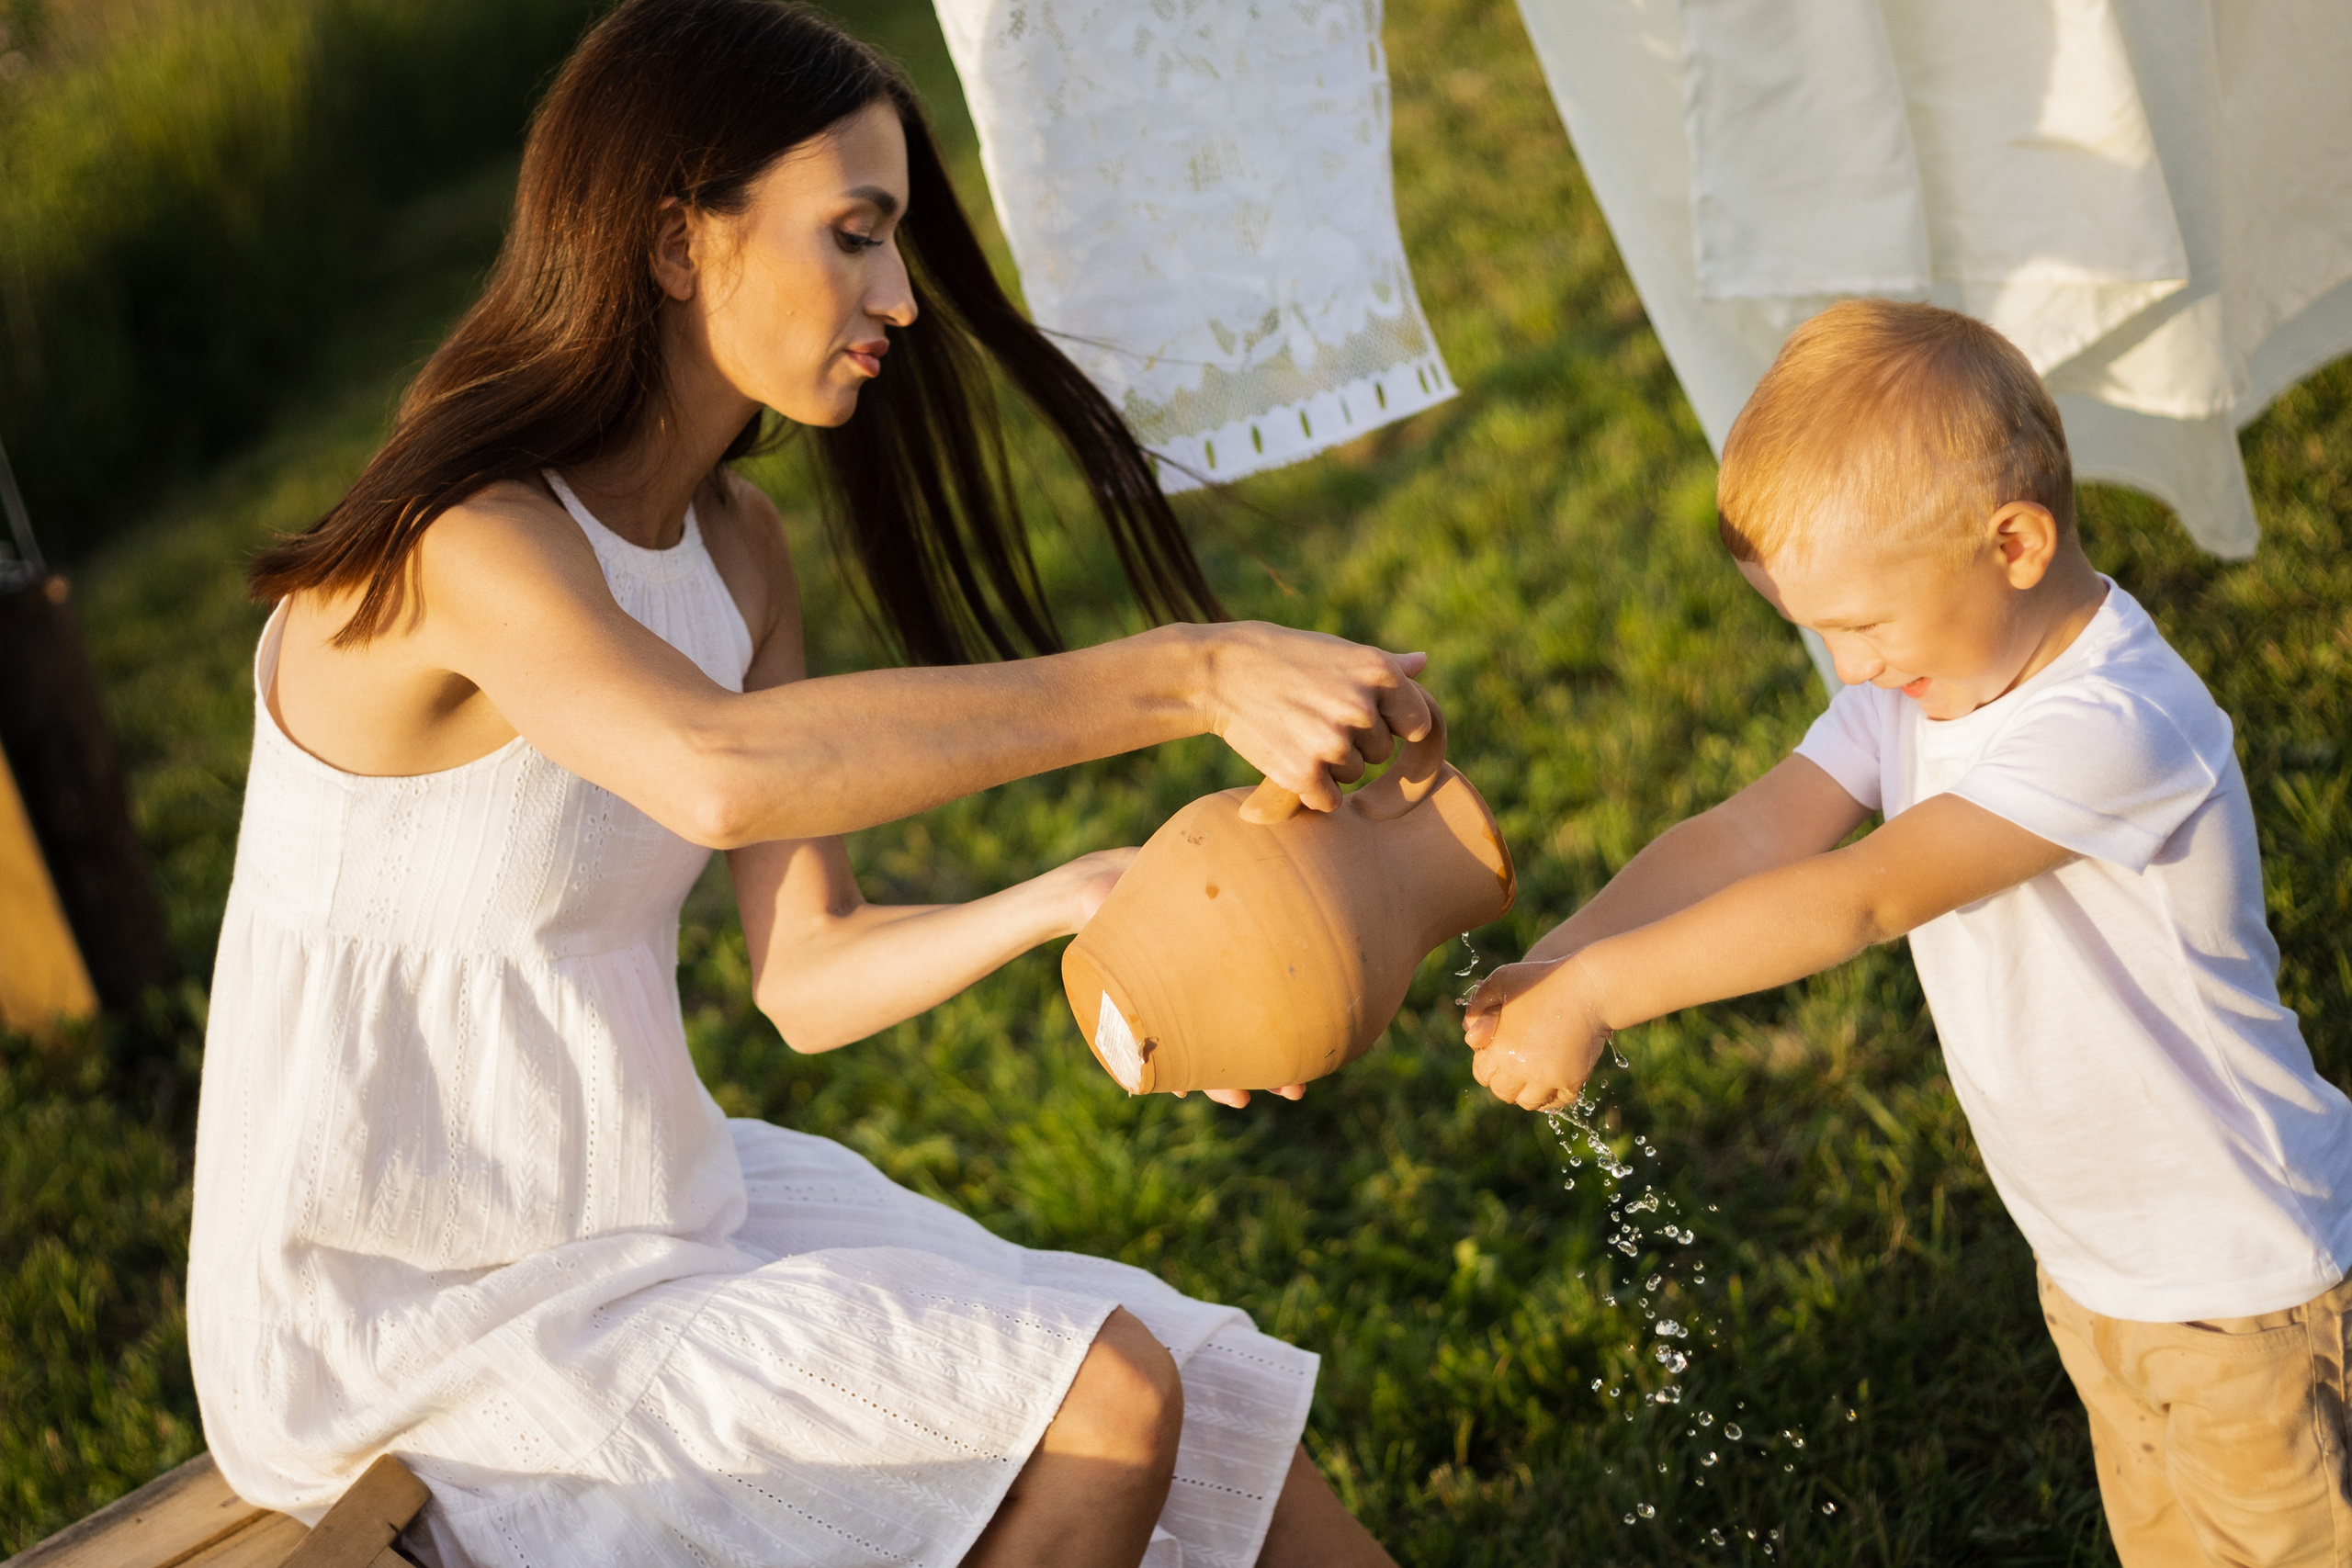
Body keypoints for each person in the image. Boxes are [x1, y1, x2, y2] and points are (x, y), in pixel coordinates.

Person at [187, 4, 1409, 1564]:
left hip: (651, 1202)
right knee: (1107, 1403)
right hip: (406, 1309)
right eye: (855, 236)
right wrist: (1186, 672)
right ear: (678, 239)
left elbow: (808, 975)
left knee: (1212, 1398)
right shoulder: (466, 539)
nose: (899, 296)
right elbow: (713, 775)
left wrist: (1073, 901)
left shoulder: (736, 550)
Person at [1462, 299, 2352, 1563]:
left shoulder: (2114, 723)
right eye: (1821, 634)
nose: (1852, 663)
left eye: (1864, 624)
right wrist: (1563, 957)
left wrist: (1606, 995)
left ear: (2016, 543)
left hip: (2242, 1286)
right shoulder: (1924, 691)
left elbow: (1860, 895)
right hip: (2099, 1266)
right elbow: (1745, 838)